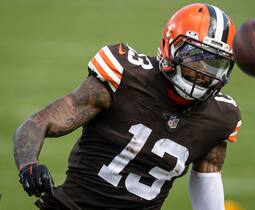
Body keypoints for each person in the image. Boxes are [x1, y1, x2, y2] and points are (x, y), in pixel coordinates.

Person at [13, 3, 241, 210]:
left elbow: (207, 179)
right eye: (196, 57)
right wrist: (29, 165)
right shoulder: (125, 77)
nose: (204, 74)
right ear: (170, 47)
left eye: (215, 64)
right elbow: (37, 124)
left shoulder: (220, 117)